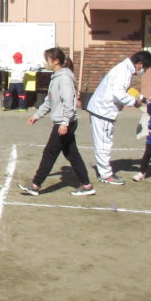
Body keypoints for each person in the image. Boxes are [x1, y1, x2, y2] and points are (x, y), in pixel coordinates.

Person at [18, 47, 95, 196]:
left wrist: (65, 123)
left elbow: (69, 102)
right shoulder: (56, 77)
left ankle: (35, 184)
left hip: (65, 122)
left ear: (56, 61)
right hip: (63, 121)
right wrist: (37, 115)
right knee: (72, 155)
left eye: (47, 59)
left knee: (50, 152)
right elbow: (50, 100)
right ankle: (87, 186)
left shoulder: (64, 78)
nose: (45, 62)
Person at [86, 50, 151, 185]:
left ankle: (104, 172)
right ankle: (105, 175)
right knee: (104, 143)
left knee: (104, 142)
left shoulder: (124, 69)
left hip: (101, 110)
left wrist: (143, 99)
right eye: (145, 68)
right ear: (140, 64)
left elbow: (126, 91)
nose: (144, 71)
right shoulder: (124, 71)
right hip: (103, 112)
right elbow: (118, 94)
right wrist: (134, 102)